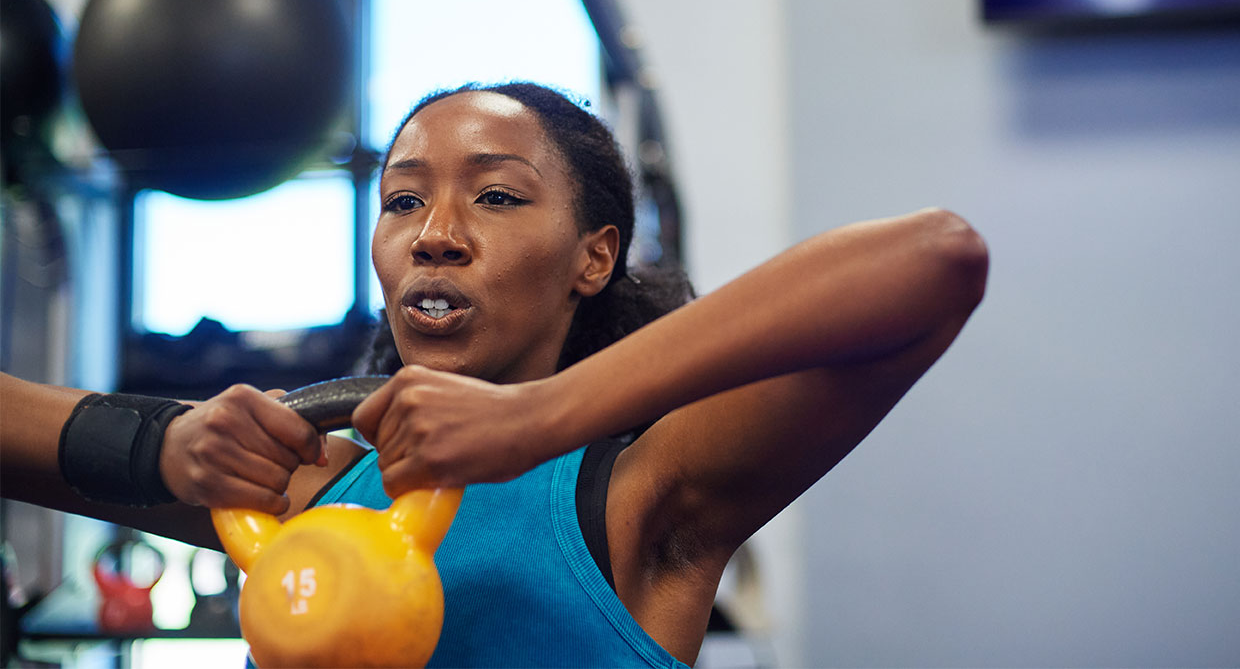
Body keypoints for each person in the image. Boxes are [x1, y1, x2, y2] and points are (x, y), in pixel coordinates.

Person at [1, 81, 989, 666]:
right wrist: (168, 445)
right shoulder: (307, 489)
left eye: (498, 196)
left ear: (593, 257)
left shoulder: (643, 491)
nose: (435, 234)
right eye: (401, 202)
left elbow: (933, 258)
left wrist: (541, 415)